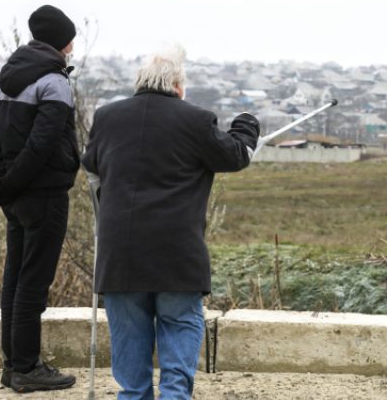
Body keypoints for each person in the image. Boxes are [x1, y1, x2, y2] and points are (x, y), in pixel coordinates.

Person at [81, 47, 259, 399]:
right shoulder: (196, 120)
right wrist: (246, 123)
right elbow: (236, 155)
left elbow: (91, 165)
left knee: (129, 344)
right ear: (178, 86)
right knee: (180, 325)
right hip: (176, 253)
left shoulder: (106, 117)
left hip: (120, 253)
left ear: (139, 83)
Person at [0, 4, 80, 392]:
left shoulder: (12, 80)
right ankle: (26, 367)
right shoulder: (54, 82)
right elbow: (43, 145)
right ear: (62, 41)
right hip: (46, 196)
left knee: (15, 280)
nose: (72, 48)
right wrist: (9, 186)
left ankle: (12, 365)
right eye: (71, 40)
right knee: (34, 283)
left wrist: (2, 186)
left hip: (16, 198)